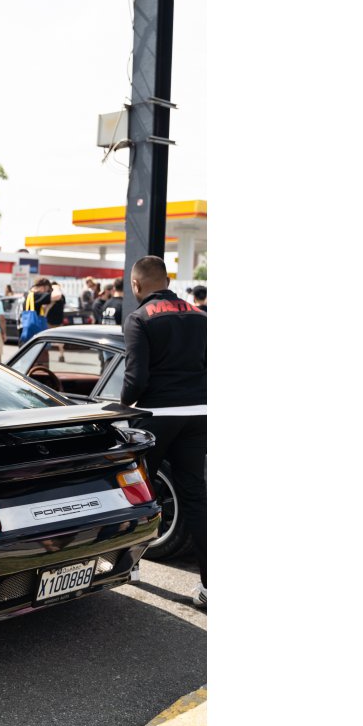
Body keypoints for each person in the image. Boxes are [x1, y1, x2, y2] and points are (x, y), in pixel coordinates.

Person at [122, 255, 208, 609]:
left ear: (137, 285)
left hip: (155, 414)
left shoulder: (139, 318)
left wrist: (125, 407)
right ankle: (211, 587)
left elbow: (135, 378)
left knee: (140, 491)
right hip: (201, 413)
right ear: (168, 281)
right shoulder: (203, 316)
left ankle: (131, 567)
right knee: (196, 498)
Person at [18, 278, 50, 344]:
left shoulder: (27, 294)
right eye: (47, 289)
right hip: (29, 332)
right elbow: (56, 296)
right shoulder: (34, 296)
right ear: (42, 287)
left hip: (23, 327)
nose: (46, 292)